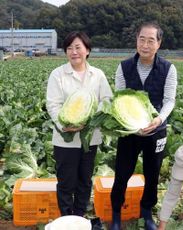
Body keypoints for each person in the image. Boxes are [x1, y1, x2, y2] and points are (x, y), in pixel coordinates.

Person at [110, 22, 177, 230]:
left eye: (151, 40)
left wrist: (158, 120)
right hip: (130, 131)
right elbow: (119, 99)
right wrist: (132, 126)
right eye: (142, 39)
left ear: (159, 43)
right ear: (136, 40)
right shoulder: (124, 67)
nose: (145, 44)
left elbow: (169, 101)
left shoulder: (168, 69)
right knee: (122, 173)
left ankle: (147, 213)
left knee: (153, 173)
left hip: (156, 131)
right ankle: (116, 216)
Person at [46, 31, 113, 216]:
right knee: (66, 182)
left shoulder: (97, 75)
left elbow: (107, 99)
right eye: (69, 48)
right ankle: (67, 218)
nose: (74, 52)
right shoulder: (57, 74)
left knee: (84, 180)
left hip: (90, 138)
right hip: (65, 139)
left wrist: (91, 119)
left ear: (87, 50)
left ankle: (80, 216)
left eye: (78, 47)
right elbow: (53, 104)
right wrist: (64, 125)